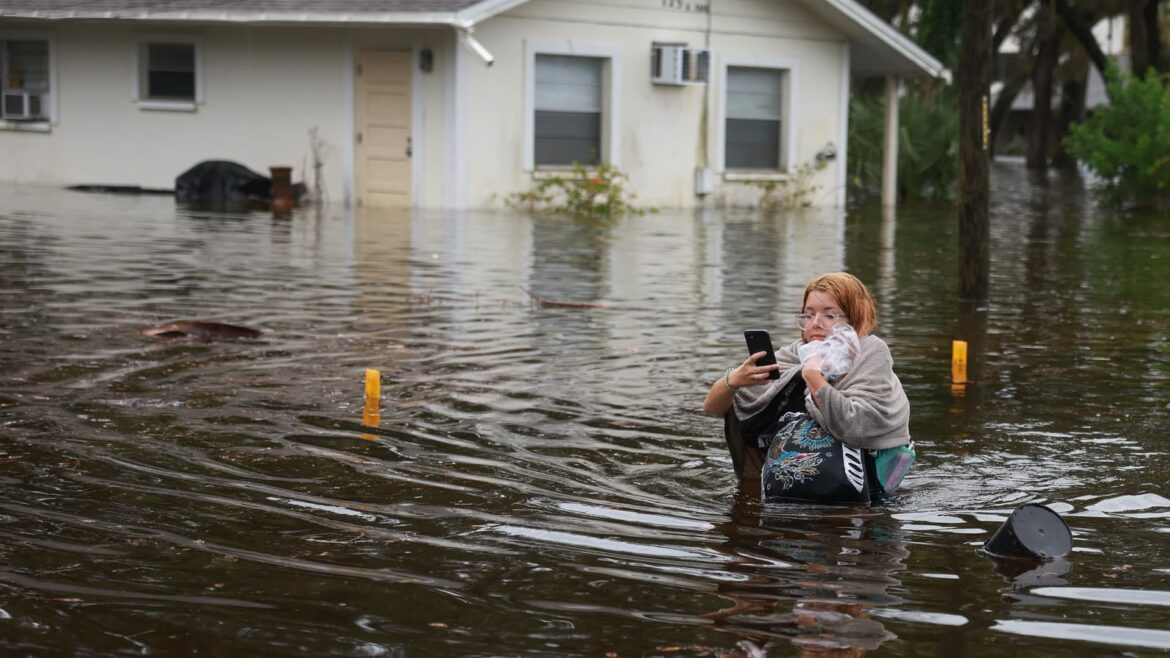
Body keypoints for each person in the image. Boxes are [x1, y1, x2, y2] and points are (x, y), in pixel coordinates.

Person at [702, 272, 910, 483]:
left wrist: (813, 376)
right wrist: (734, 380)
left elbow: (858, 427)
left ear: (854, 316)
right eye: (809, 315)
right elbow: (712, 408)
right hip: (782, 483)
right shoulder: (793, 355)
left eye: (830, 315)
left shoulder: (870, 353)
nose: (816, 323)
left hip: (854, 486)